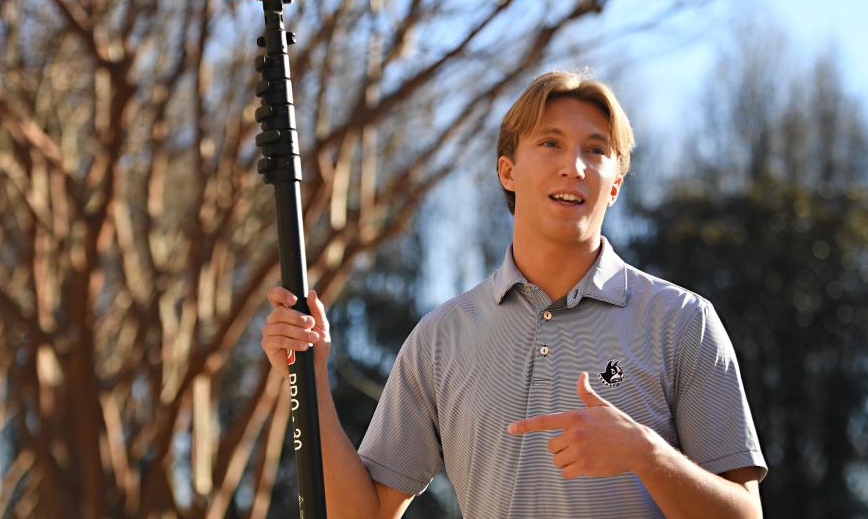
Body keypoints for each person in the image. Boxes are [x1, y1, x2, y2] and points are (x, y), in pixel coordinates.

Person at [262, 71, 767, 518]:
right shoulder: (442, 338)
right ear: (508, 171)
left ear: (615, 184)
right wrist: (305, 376)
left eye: (596, 150)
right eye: (550, 143)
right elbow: (366, 514)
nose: (575, 166)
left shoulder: (682, 321)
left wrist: (647, 455)